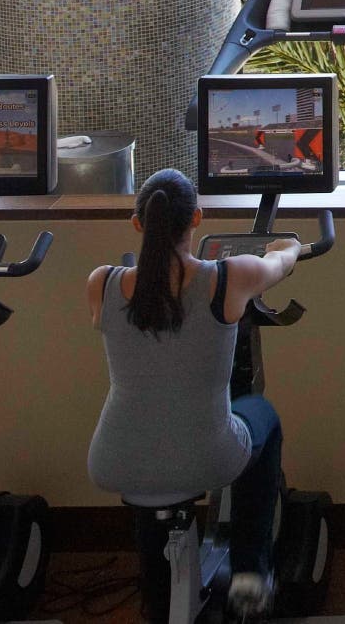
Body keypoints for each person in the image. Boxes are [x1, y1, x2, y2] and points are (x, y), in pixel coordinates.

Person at [86, 170, 301, 619]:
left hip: (113, 457)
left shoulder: (101, 282)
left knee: (151, 452)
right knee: (261, 413)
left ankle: (157, 598)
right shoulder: (230, 276)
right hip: (208, 457)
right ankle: (250, 578)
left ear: (138, 223)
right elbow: (282, 262)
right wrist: (287, 246)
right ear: (197, 218)